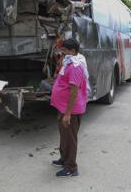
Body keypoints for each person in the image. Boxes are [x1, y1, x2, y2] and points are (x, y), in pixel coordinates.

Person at [50, 38, 88, 177]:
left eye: (65, 50)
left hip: (70, 110)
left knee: (70, 138)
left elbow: (74, 91)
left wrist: (68, 114)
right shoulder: (68, 63)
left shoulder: (76, 67)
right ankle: (64, 158)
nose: (62, 52)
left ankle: (71, 168)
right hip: (63, 107)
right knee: (64, 136)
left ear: (73, 51)